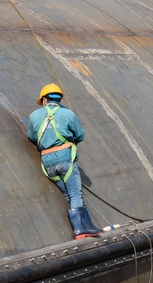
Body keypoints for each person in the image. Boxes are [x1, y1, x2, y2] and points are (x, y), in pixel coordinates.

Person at [28, 83, 101, 240]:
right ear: (59, 99)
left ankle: (87, 225)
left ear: (44, 100)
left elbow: (32, 137)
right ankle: (81, 229)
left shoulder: (34, 116)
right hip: (65, 160)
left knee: (69, 194)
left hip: (47, 163)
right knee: (75, 193)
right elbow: (80, 135)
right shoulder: (68, 114)